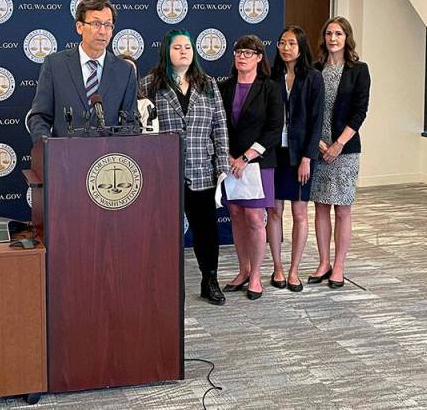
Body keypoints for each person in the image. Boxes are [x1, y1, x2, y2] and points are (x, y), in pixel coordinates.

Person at [139, 30, 230, 305]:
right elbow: (140, 128)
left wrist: (222, 164)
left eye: (188, 47)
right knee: (161, 231)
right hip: (163, 174)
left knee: (206, 230)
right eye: (177, 47)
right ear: (166, 51)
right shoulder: (149, 84)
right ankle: (159, 284)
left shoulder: (208, 84)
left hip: (202, 170)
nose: (183, 52)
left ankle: (210, 280)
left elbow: (219, 126)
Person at [218, 35, 284, 300]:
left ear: (259, 57)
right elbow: (218, 125)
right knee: (236, 215)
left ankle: (256, 275)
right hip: (230, 163)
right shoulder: (224, 87)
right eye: (238, 52)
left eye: (248, 52)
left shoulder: (270, 88)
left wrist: (246, 157)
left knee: (255, 219)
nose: (242, 56)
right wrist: (228, 156)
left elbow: (274, 129)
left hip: (258, 164)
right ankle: (243, 270)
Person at [309, 16, 370, 289]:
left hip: (345, 151)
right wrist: (318, 143)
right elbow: (306, 110)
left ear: (347, 38)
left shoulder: (359, 70)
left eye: (339, 34)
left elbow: (360, 112)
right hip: (317, 150)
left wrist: (337, 145)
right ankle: (324, 263)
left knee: (343, 209)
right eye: (329, 33)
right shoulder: (314, 70)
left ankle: (340, 266)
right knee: (320, 207)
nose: (333, 38)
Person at [27, 0, 137, 140]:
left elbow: (130, 123)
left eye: (108, 25)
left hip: (109, 154)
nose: (103, 31)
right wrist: (47, 146)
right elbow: (39, 117)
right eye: (96, 24)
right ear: (79, 27)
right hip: (65, 152)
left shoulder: (125, 71)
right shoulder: (54, 65)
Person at [266, 26, 324, 292]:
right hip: (274, 154)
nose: (285, 48)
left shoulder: (313, 77)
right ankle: (277, 268)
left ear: (301, 47)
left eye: (291, 43)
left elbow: (316, 122)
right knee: (274, 212)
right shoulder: (271, 76)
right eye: (282, 43)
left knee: (299, 213)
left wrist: (307, 158)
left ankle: (294, 271)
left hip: (299, 155)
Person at [120, 53, 158, 132]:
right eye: (124, 71)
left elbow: (151, 137)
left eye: (132, 72)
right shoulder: (102, 104)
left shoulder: (146, 105)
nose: (128, 75)